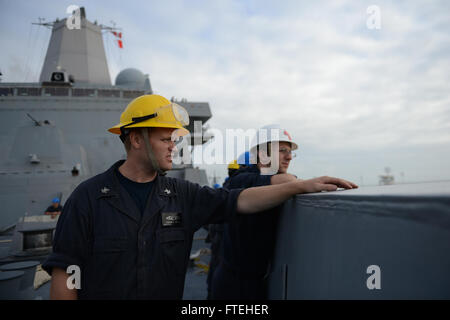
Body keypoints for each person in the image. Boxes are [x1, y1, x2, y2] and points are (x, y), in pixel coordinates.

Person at [42, 95, 357, 300]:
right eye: (166, 138)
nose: (173, 146)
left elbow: (239, 201)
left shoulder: (183, 194)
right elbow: (65, 274)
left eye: (175, 139)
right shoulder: (87, 198)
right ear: (136, 139)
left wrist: (299, 186)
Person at [210, 124, 305, 299]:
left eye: (290, 151)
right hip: (234, 287)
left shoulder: (259, 180)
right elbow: (285, 179)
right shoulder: (239, 180)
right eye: (282, 150)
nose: (289, 156)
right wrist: (303, 184)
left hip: (255, 280)